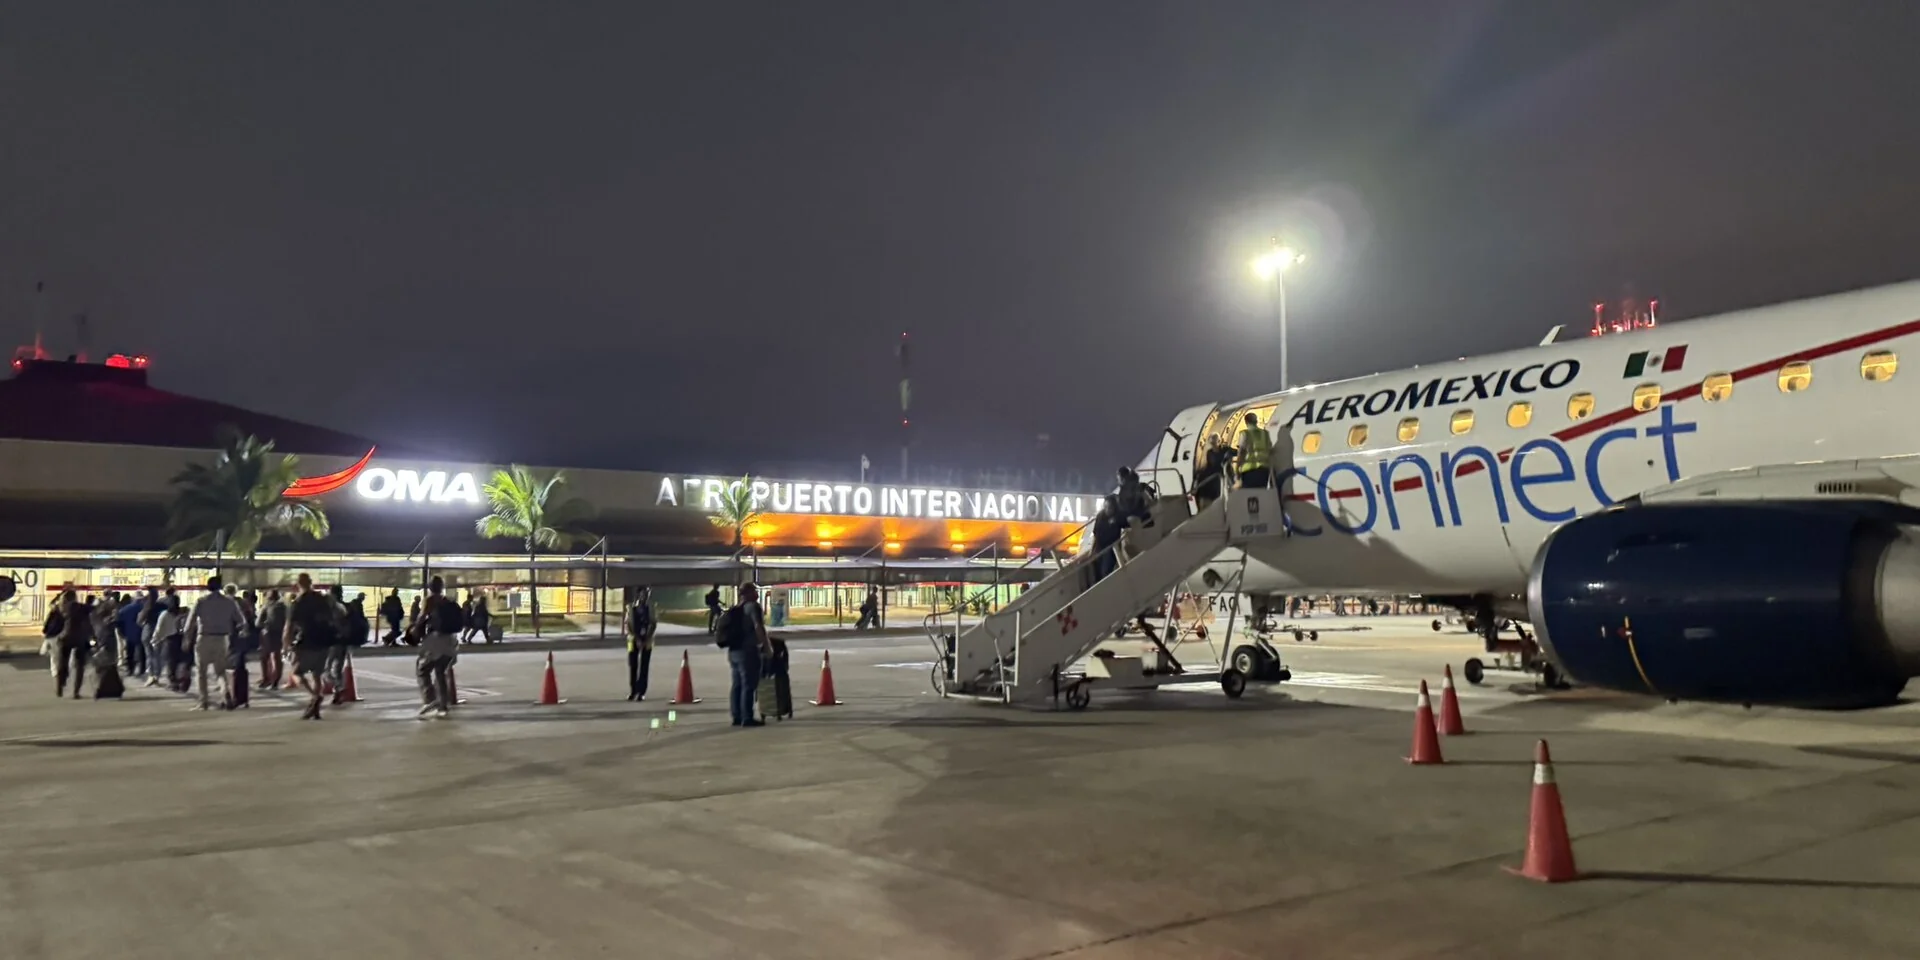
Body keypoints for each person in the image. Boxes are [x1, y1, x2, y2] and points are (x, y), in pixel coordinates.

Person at [285, 573, 339, 720]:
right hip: (325, 641)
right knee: (317, 675)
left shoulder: (298, 602)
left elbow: (289, 626)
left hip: (307, 641)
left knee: (297, 672)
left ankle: (315, 696)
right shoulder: (323, 599)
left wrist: (286, 644)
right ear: (310, 582)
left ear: (298, 584)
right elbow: (334, 616)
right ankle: (315, 709)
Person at [188, 576, 246, 710]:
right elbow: (241, 621)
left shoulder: (201, 601)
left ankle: (203, 702)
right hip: (222, 638)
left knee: (201, 672)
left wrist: (187, 638)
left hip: (204, 637)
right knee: (220, 671)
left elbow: (190, 622)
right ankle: (225, 693)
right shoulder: (229, 602)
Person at [720, 583, 770, 728]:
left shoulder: (735, 609)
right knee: (749, 685)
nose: (757, 593)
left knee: (737, 684)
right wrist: (766, 646)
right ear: (748, 593)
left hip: (733, 651)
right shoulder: (753, 607)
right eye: (754, 590)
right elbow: (758, 626)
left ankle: (737, 716)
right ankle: (747, 717)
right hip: (748, 651)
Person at [416, 576, 461, 719]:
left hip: (436, 639)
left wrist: (415, 629)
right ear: (442, 587)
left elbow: (421, 617)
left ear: (430, 587)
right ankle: (443, 706)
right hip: (451, 640)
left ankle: (430, 699)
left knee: (422, 669)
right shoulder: (448, 601)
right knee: (441, 672)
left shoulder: (429, 600)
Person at [51, 590, 90, 699]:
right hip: (80, 638)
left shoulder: (61, 608)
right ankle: (76, 691)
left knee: (62, 664)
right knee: (79, 666)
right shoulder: (81, 607)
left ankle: (59, 688)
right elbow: (92, 610)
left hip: (64, 637)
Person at [624, 587, 656, 701]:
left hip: (647, 641)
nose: (644, 597)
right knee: (633, 665)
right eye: (642, 595)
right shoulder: (631, 608)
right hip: (632, 640)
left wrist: (647, 638)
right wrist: (636, 639)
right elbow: (627, 625)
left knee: (644, 666)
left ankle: (641, 692)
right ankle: (633, 690)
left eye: (645, 595)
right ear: (638, 595)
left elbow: (653, 623)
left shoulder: (651, 608)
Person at [92, 594, 125, 699]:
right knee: (108, 669)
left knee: (103, 669)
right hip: (107, 645)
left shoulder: (97, 619)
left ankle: (104, 690)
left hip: (102, 644)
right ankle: (107, 690)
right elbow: (106, 633)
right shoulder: (107, 622)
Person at [154, 594, 188, 693]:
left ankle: (173, 683)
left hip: (169, 640)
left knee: (170, 662)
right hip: (181, 638)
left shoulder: (165, 614)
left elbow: (159, 628)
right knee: (180, 661)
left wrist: (155, 639)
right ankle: (181, 681)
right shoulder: (183, 613)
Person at [325, 584, 352, 703]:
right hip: (343, 641)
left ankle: (338, 687)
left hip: (334, 641)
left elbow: (334, 624)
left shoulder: (335, 608)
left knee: (326, 669)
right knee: (337, 668)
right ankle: (338, 691)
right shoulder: (344, 606)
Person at [258, 588, 288, 689]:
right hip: (280, 633)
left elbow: (258, 623)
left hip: (268, 633)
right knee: (277, 657)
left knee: (264, 657)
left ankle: (266, 679)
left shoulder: (267, 606)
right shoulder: (284, 607)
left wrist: (264, 624)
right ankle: (276, 680)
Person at [1235, 412, 1273, 489]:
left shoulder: (1244, 433)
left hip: (1249, 470)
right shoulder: (1265, 433)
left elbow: (1241, 453)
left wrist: (1237, 470)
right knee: (1261, 491)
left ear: (1246, 422)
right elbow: (1270, 451)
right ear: (1256, 421)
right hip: (1264, 470)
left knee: (1249, 493)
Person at [1090, 495, 1123, 583]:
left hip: (1111, 549)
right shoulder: (1100, 516)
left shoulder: (1118, 517)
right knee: (1095, 569)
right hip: (1099, 547)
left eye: (1110, 508)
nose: (1107, 510)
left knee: (1105, 571)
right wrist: (1092, 550)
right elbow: (1095, 534)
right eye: (1106, 507)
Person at [1193, 436, 1226, 511]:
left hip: (1214, 490)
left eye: (1214, 443)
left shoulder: (1224, 452)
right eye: (1212, 443)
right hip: (1207, 493)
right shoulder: (1203, 472)